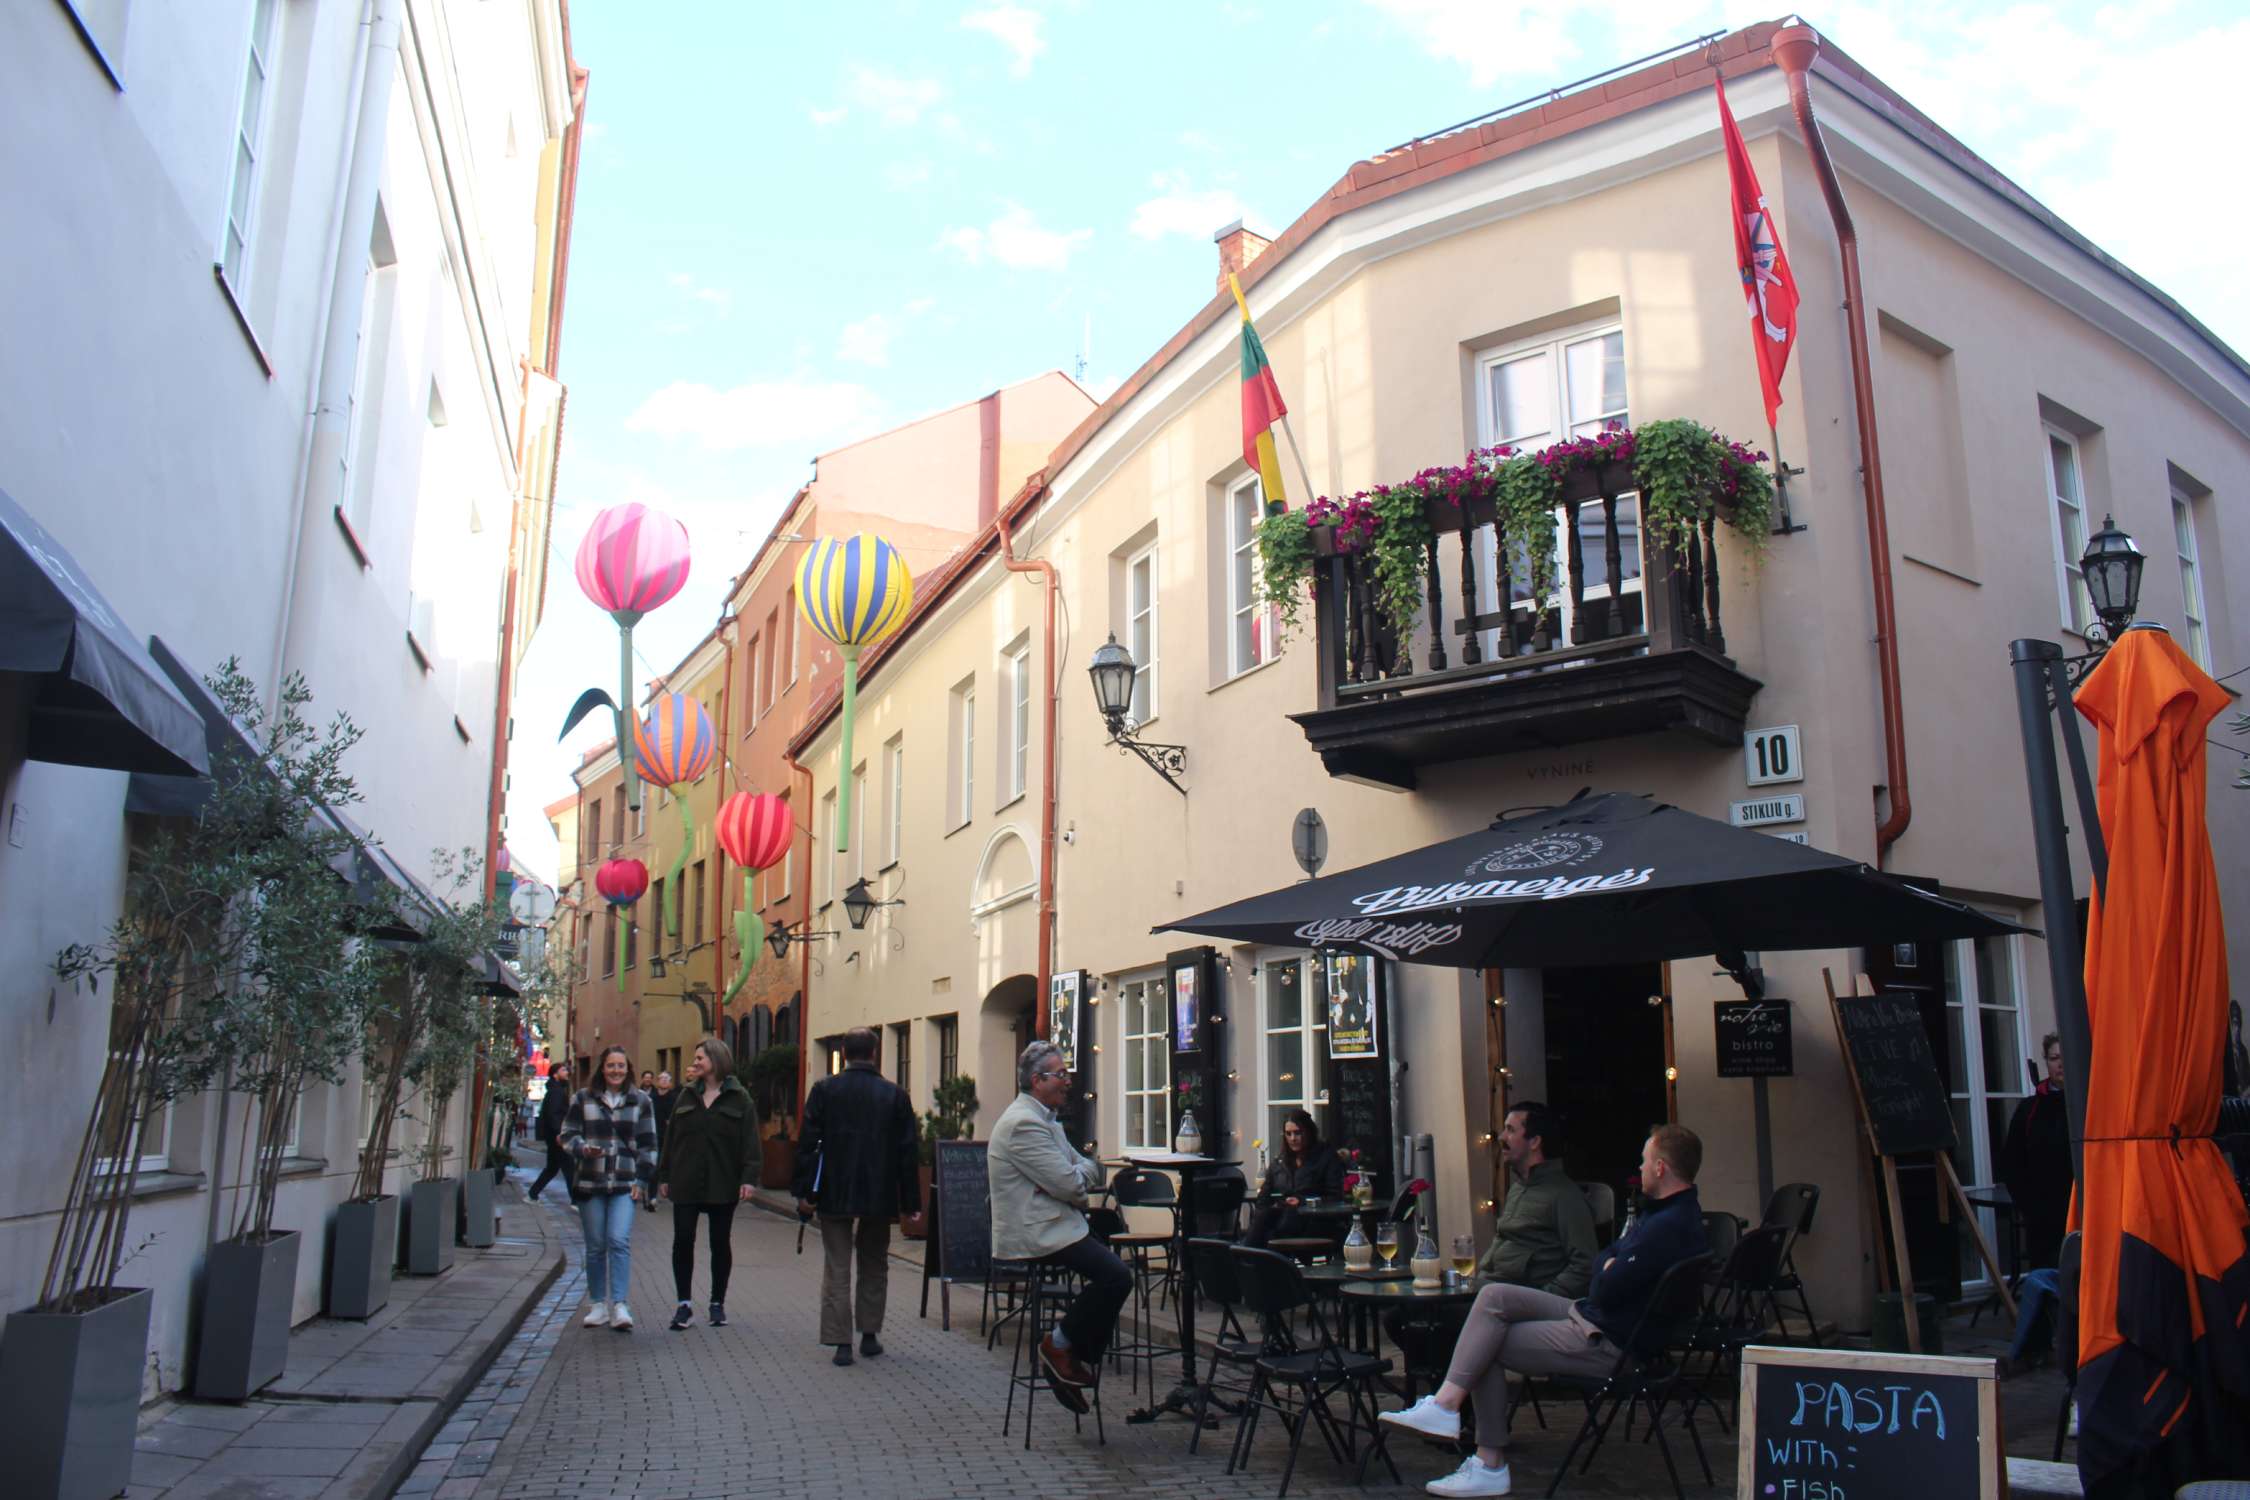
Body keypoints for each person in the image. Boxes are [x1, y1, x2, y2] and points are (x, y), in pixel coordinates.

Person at [1381, 1125, 1712, 1498]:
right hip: (1592, 1315)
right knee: (1493, 1297)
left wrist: (1610, 1265)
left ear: (1661, 1168)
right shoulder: (1671, 1214)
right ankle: (1445, 1406)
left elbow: (1603, 1283)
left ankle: (1488, 1463)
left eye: (1645, 1159)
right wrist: (1611, 1263)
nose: (1640, 1165)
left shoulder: (1666, 1227)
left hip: (1610, 1342)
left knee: (1484, 1343)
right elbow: (1605, 1261)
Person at [989, 1039, 1128, 1413]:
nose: (1068, 1081)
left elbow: (1088, 1168)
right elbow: (1071, 1183)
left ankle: (1067, 1358)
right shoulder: (1023, 1124)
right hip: (1038, 1230)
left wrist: (1071, 1180)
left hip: (1058, 1222)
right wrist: (1072, 1183)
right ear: (1038, 1080)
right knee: (1117, 1275)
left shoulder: (1044, 1119)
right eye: (1061, 1074)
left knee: (1115, 1274)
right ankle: (1060, 1347)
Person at [793, 1027, 922, 1365]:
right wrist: (911, 1203)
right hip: (878, 1193)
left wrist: (805, 1193)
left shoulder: (824, 1090)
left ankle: (840, 1342)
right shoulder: (894, 1095)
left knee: (837, 1266)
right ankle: (868, 1334)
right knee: (874, 1263)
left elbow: (808, 1145)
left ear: (845, 1053)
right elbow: (908, 1152)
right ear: (874, 1052)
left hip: (834, 1191)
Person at [658, 1039, 759, 1331]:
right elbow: (671, 1139)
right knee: (683, 1241)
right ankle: (684, 1305)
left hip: (722, 1182)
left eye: (700, 1057)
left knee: (719, 1242)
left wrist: (749, 1179)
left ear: (716, 1060)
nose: (695, 1062)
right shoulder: (686, 1096)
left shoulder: (740, 1099)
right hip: (686, 1181)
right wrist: (664, 1176)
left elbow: (750, 1143)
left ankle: (717, 1303)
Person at [559, 1046, 659, 1331]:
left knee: (618, 1240)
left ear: (628, 1069)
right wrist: (582, 1148)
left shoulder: (640, 1101)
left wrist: (643, 1180)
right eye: (611, 1066)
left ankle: (619, 1304)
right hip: (591, 1182)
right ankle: (598, 1304)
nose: (616, 1071)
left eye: (621, 1066)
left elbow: (649, 1144)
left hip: (625, 1183)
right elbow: (567, 1135)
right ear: (602, 1068)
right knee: (595, 1246)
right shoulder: (583, 1098)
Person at [1477, 1101, 1597, 1298]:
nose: (1501, 1137)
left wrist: (1544, 1297)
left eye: (1510, 1130)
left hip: (1522, 1299)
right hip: (1488, 1290)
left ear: (1534, 1142)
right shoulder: (1516, 1189)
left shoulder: (1564, 1195)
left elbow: (1585, 1264)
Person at [2001, 1033, 2072, 1271]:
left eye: (2066, 1057)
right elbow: (2012, 1162)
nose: (2061, 1064)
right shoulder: (2029, 1110)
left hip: (2085, 1211)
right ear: (2046, 1061)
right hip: (2043, 1217)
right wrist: (2030, 1205)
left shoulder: (2090, 1103)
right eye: (2054, 1058)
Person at [1245, 1108, 1347, 1247]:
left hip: (1313, 1220)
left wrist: (1302, 1201)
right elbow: (1264, 1197)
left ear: (1309, 1132)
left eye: (1298, 1133)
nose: (1293, 1138)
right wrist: (1277, 1202)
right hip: (1280, 1219)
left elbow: (1335, 1197)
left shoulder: (1326, 1158)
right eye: (1288, 1134)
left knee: (1270, 1227)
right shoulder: (1280, 1162)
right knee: (1263, 1217)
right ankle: (1245, 1256)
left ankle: (1245, 1255)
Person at [528, 1065, 574, 1202]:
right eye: (564, 1070)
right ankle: (576, 1200)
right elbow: (554, 1115)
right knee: (569, 1167)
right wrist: (560, 1134)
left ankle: (532, 1194)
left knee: (553, 1168)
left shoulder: (556, 1090)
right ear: (555, 1074)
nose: (567, 1072)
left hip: (554, 1136)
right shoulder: (556, 1092)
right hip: (557, 1137)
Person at [645, 1070, 678, 1213]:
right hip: (654, 1138)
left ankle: (671, 1194)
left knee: (668, 1168)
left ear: (670, 1083)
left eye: (667, 1079)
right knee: (654, 1168)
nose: (664, 1081)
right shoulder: (651, 1099)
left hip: (669, 1139)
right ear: (657, 1082)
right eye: (661, 1078)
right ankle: (652, 1197)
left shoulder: (675, 1098)